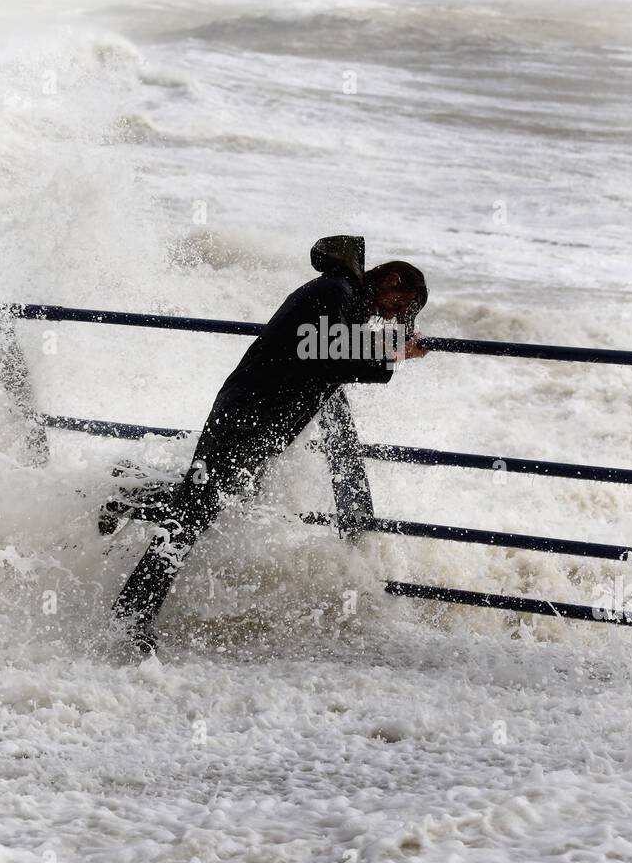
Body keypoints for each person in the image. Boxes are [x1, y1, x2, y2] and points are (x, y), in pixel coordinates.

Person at [109, 236, 428, 655]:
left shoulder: (343, 297)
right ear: (391, 279)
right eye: (400, 306)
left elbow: (326, 353)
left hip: (262, 423)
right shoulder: (335, 291)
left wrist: (390, 347)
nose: (394, 316)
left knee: (206, 504)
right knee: (190, 519)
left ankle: (132, 494)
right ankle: (131, 618)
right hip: (245, 417)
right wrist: (394, 353)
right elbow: (326, 354)